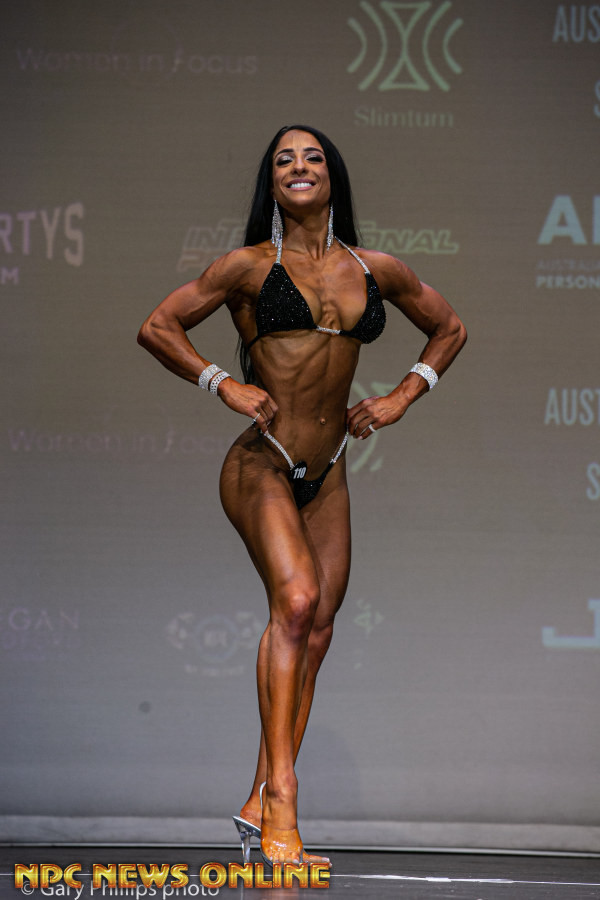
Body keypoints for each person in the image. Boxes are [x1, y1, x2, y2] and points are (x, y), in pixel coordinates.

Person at [137, 124, 467, 867]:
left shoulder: (375, 268)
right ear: (272, 183)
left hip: (329, 471)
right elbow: (158, 326)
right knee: (294, 602)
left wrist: (403, 396)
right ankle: (284, 797)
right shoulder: (250, 266)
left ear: (332, 176)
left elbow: (449, 328)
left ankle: (258, 799)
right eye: (284, 159)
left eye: (311, 156)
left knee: (316, 630)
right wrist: (221, 382)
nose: (298, 166)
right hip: (261, 462)